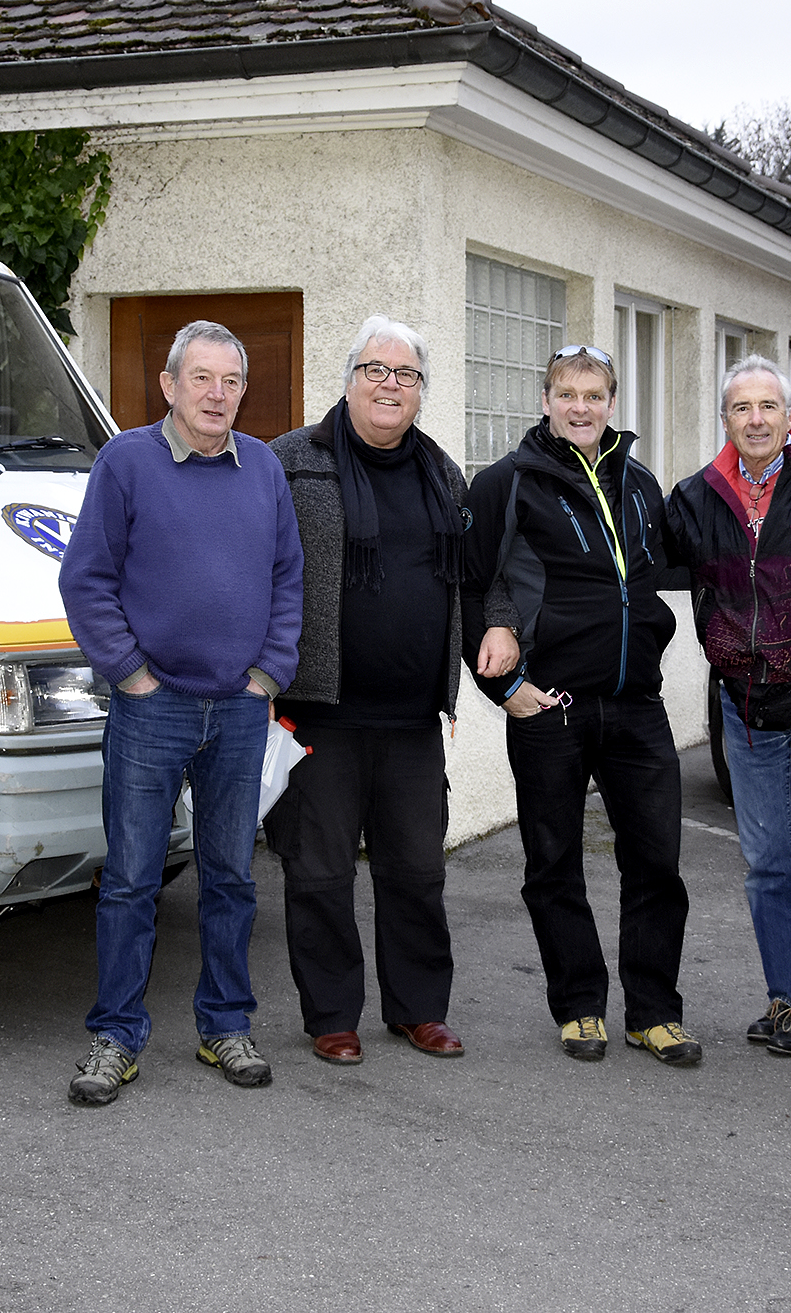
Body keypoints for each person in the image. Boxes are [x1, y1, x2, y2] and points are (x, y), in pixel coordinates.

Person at [58, 319, 303, 1103]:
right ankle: (115, 1036)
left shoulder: (262, 468)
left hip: (239, 709)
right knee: (131, 879)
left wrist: (267, 676)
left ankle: (225, 1024)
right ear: (169, 386)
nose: (217, 394)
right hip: (151, 708)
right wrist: (129, 674)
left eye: (230, 381)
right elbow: (86, 579)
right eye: (201, 378)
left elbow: (287, 579)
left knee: (231, 876)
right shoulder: (126, 461)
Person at [464, 344, 698, 1066]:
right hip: (551, 707)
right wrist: (505, 688)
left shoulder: (640, 481)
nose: (580, 406)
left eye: (593, 395)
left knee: (656, 863)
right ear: (545, 399)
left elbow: (668, 567)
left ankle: (654, 1012)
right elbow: (471, 587)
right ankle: (579, 1005)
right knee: (554, 863)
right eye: (567, 393)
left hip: (635, 703)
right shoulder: (506, 482)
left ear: (611, 403)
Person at [267, 316, 470, 1066]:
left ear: (421, 391)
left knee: (417, 869)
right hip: (319, 711)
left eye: (406, 374)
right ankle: (331, 1015)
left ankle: (418, 1010)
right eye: (376, 370)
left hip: (413, 715)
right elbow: (261, 572)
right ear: (348, 378)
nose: (391, 385)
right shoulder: (291, 462)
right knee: (318, 871)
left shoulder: (443, 474)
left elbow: (468, 582)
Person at [666, 354, 791, 1059]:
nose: (755, 419)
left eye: (768, 406)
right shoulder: (696, 496)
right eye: (742, 408)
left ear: (789, 415)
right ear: (726, 418)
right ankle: (784, 996)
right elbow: (632, 561)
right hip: (744, 707)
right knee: (768, 862)